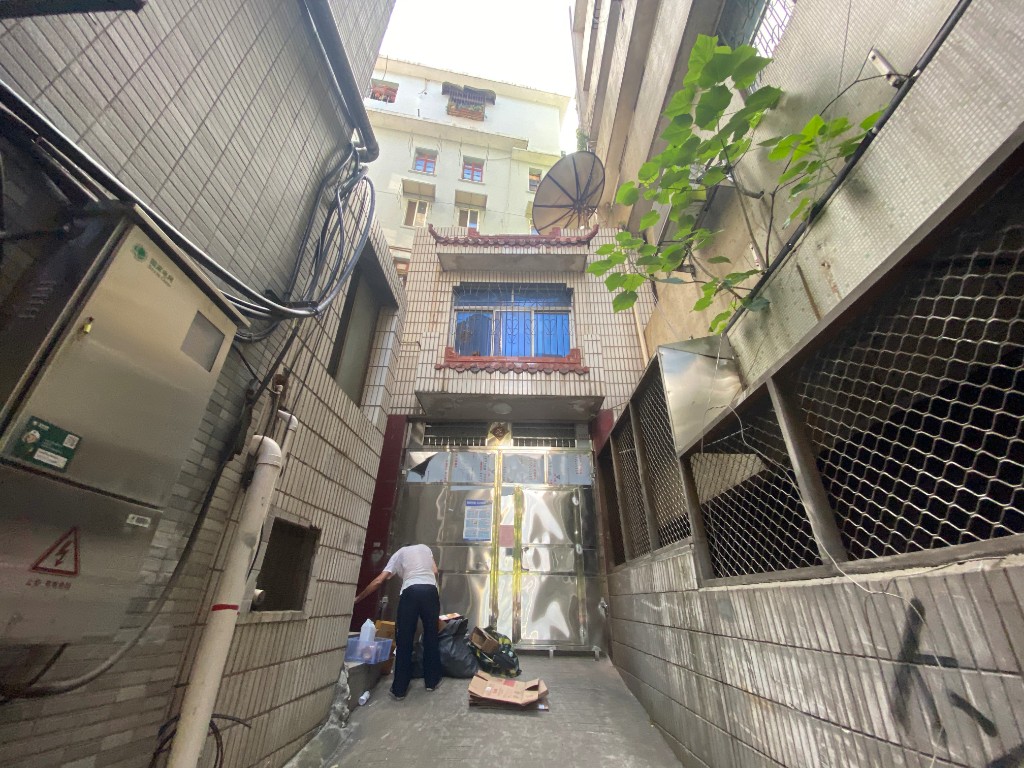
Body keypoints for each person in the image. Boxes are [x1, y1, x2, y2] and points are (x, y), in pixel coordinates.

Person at [354, 543, 443, 699]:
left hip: (410, 592)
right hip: (430, 591)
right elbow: (435, 571)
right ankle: (431, 682)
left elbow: (379, 581)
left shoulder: (399, 553)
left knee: (404, 639)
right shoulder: (425, 548)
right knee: (431, 635)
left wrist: (358, 598)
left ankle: (399, 690)